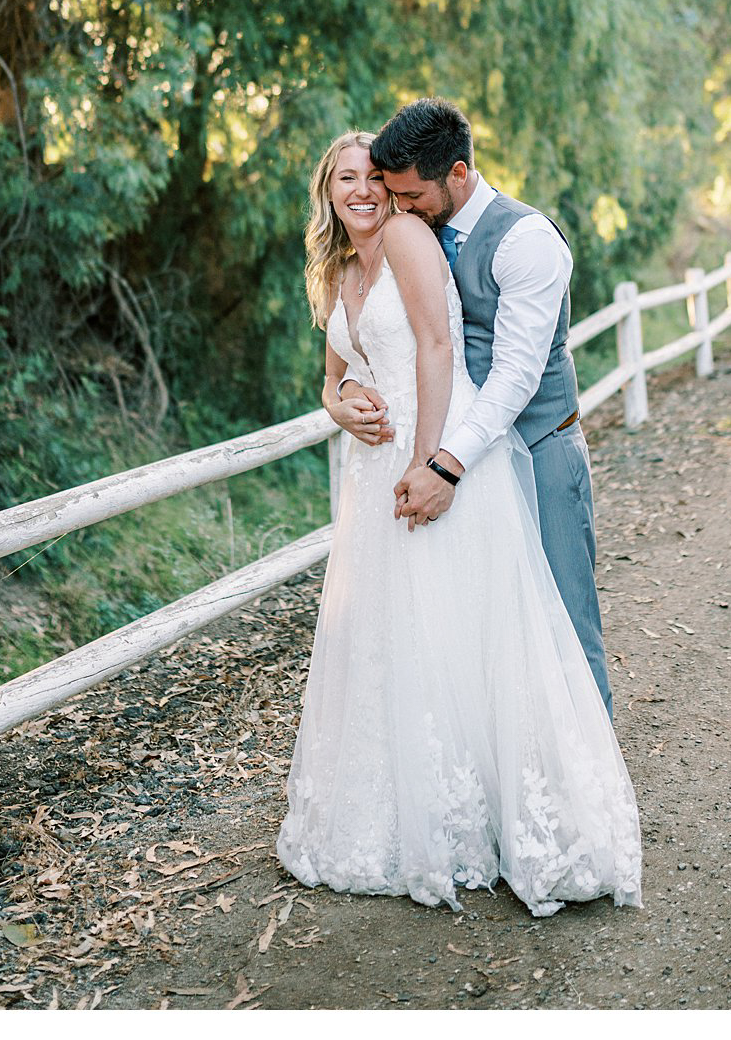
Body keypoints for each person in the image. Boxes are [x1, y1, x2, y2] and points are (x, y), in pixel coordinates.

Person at [274, 128, 640, 916]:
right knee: (403, 639)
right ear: (326, 193)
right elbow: (336, 377)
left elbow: (444, 349)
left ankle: (570, 808)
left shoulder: (422, 236)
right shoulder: (340, 267)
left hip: (455, 443)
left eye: (380, 178)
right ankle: (423, 810)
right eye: (349, 179)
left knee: (536, 631)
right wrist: (339, 406)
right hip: (381, 464)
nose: (369, 192)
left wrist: (434, 459)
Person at [367, 97, 611, 715]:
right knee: (494, 629)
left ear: (456, 172)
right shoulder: (416, 231)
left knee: (562, 620)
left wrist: (444, 466)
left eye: (412, 195)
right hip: (472, 461)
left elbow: (515, 377)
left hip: (538, 449)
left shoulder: (526, 240)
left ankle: (594, 796)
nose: (402, 208)